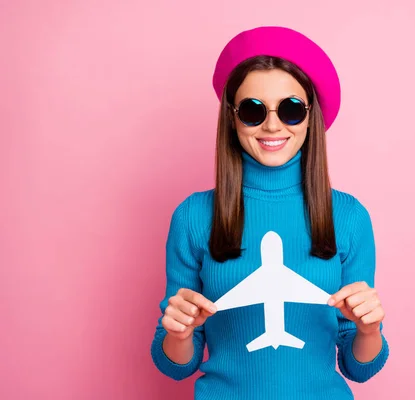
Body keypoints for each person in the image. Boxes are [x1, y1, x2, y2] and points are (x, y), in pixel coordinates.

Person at [150, 26, 390, 399]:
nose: (273, 125)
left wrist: (369, 330)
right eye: (252, 110)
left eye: (292, 109)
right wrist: (179, 333)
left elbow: (359, 368)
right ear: (232, 117)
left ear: (312, 117)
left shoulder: (348, 216)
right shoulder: (193, 217)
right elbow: (175, 364)